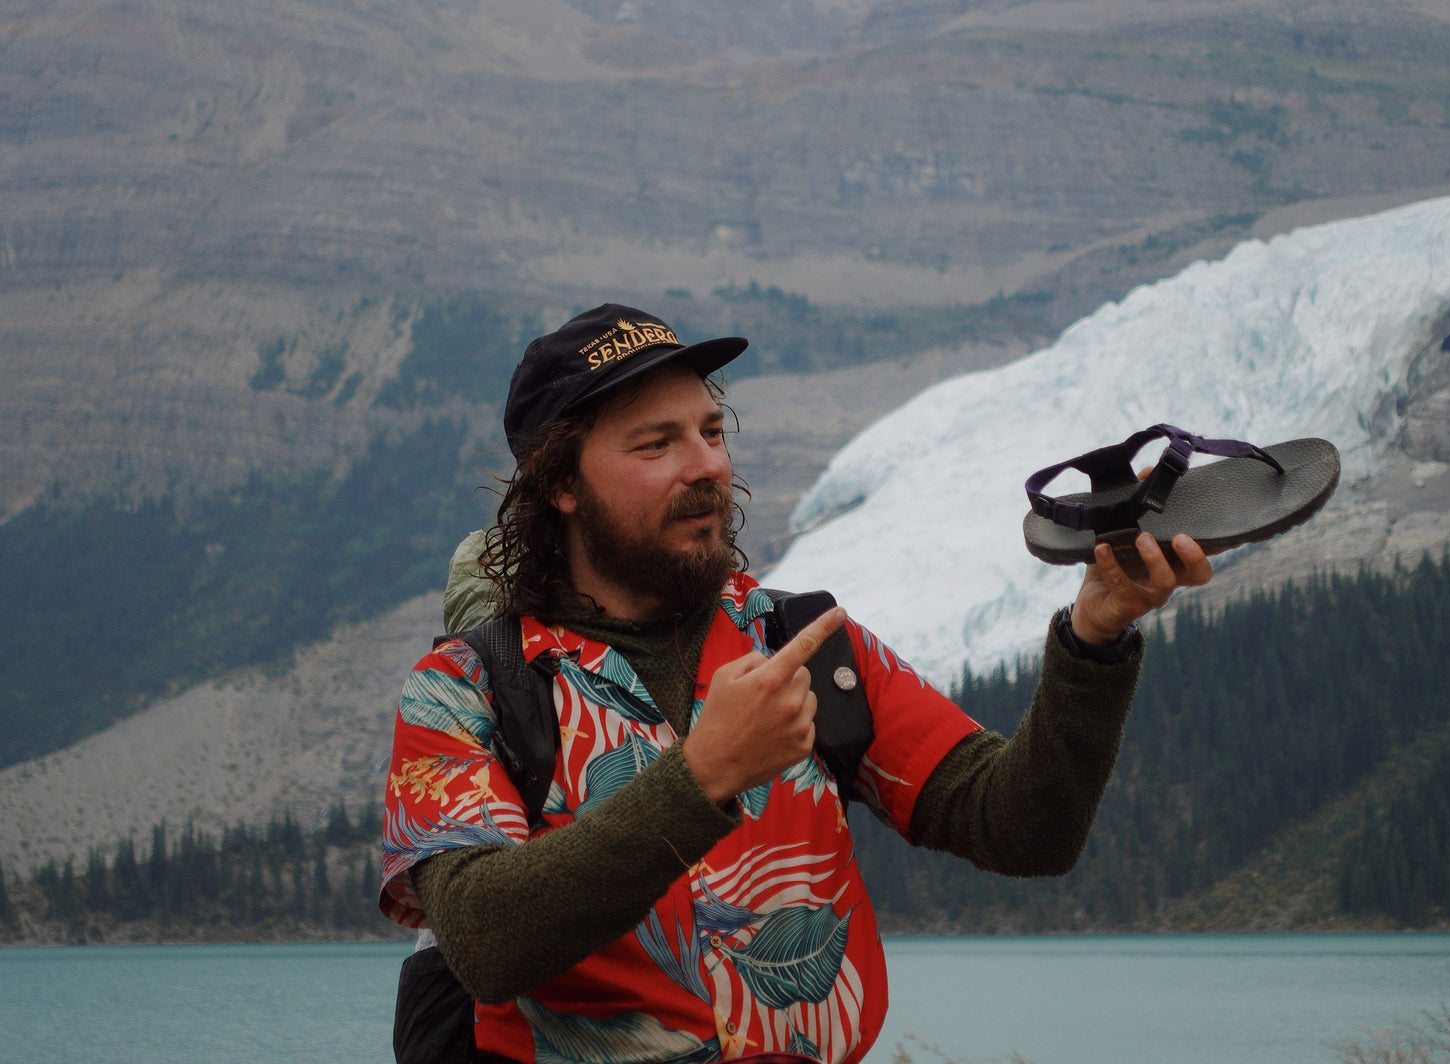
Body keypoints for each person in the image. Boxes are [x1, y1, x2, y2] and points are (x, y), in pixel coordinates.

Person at [379, 304, 1212, 1064]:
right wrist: (701, 778)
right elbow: (485, 942)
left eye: (711, 430)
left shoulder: (805, 643)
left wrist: (1093, 640)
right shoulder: (467, 689)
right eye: (656, 443)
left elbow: (1026, 829)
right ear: (561, 484)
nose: (705, 464)